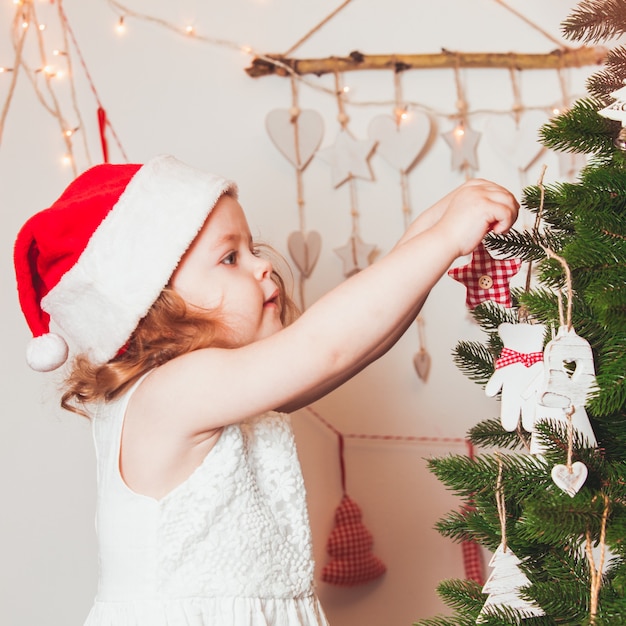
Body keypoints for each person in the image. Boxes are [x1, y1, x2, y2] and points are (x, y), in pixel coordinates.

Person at [13, 154, 519, 626]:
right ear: (154, 305)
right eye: (230, 257)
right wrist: (443, 240)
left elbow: (356, 348)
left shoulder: (228, 389)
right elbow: (326, 348)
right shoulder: (173, 391)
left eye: (251, 247)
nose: (262, 264)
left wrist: (425, 236)